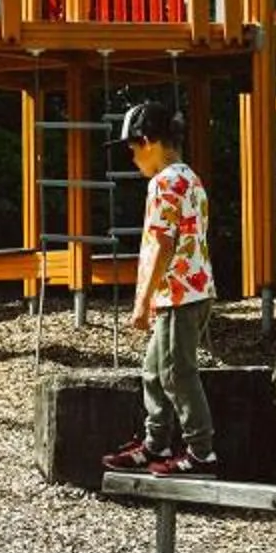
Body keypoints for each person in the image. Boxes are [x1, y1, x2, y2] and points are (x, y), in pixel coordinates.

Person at [103, 100, 218, 478]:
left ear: (149, 141)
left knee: (176, 373)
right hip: (194, 290)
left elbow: (162, 245)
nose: (133, 160)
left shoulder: (164, 182)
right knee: (154, 370)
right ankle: (156, 443)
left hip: (178, 294)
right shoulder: (191, 179)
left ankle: (201, 452)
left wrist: (143, 301)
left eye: (133, 150)